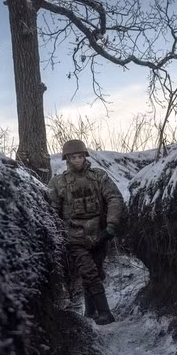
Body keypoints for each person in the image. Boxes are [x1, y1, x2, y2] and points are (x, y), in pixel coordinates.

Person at [48, 139, 124, 325]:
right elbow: (53, 211)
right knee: (89, 273)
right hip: (74, 238)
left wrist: (111, 225)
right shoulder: (58, 182)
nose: (78, 160)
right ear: (67, 159)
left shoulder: (99, 176)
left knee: (95, 272)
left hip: (99, 235)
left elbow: (114, 198)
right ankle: (105, 313)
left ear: (85, 156)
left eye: (80, 156)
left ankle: (90, 312)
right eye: (74, 157)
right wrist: (58, 236)